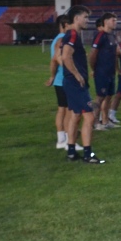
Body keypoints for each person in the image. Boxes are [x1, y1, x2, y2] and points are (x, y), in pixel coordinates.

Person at [60, 5, 104, 163]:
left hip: (71, 83)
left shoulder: (72, 34)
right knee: (90, 117)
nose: (88, 20)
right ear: (76, 18)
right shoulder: (72, 34)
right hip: (75, 83)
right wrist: (77, 74)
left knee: (75, 115)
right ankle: (88, 155)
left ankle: (71, 152)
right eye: (85, 17)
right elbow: (65, 56)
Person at [45, 15, 73, 148]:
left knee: (62, 109)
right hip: (64, 79)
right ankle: (68, 140)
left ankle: (61, 139)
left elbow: (53, 60)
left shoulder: (57, 39)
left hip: (59, 79)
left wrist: (52, 76)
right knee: (68, 110)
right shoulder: (62, 39)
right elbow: (56, 59)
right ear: (65, 24)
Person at [90, 13, 119, 129]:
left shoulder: (113, 36)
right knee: (100, 97)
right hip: (102, 72)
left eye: (115, 20)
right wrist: (94, 69)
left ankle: (105, 121)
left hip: (111, 72)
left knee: (109, 96)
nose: (115, 22)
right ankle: (95, 122)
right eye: (113, 20)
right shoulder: (100, 35)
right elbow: (93, 54)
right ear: (106, 22)